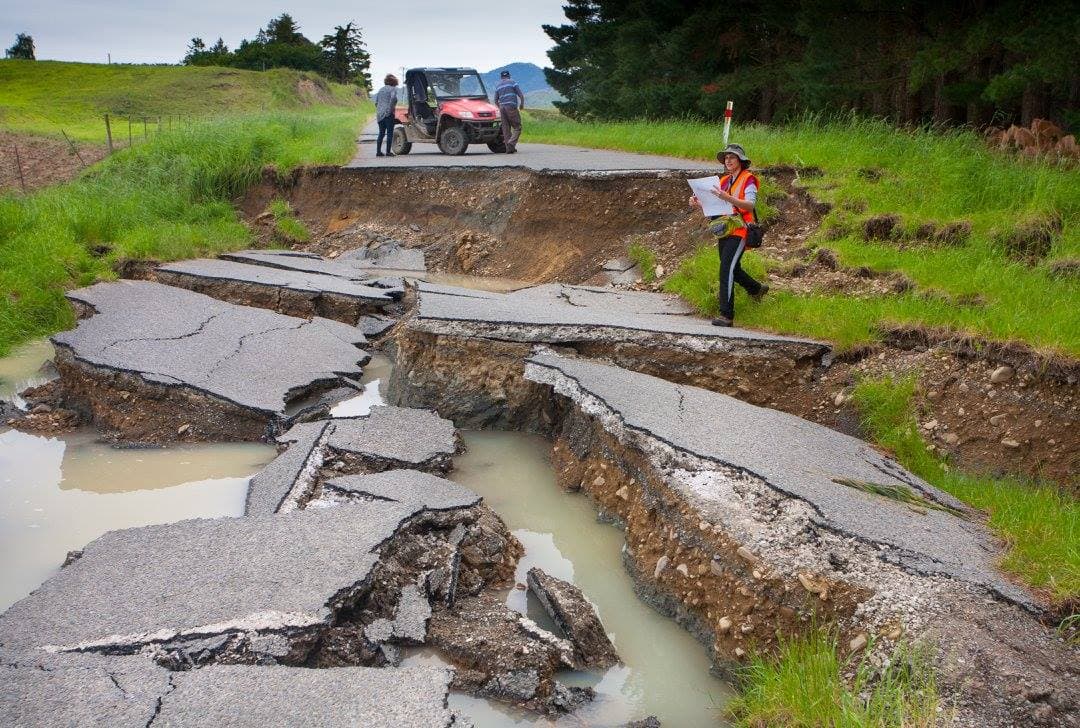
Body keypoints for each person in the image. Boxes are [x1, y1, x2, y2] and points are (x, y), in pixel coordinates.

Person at [689, 143, 769, 326]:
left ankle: (726, 315)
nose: (728, 160)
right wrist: (697, 203)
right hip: (725, 230)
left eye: (732, 157)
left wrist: (727, 197)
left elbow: (749, 205)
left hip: (741, 229)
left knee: (726, 268)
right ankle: (756, 289)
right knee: (733, 268)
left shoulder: (749, 179)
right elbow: (716, 207)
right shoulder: (723, 181)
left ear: (741, 160)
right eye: (726, 158)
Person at [493, 70, 525, 153]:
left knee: (506, 129)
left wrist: (500, 107)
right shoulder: (512, 82)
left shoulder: (498, 86)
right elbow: (520, 94)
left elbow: (495, 100)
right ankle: (511, 143)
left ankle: (509, 149)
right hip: (511, 107)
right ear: (509, 76)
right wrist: (522, 104)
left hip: (502, 108)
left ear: (501, 77)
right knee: (518, 127)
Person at [374, 74, 399, 157]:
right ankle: (388, 152)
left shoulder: (380, 90)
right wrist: (390, 110)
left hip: (379, 114)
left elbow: (376, 102)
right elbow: (393, 99)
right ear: (394, 82)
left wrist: (380, 110)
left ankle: (378, 152)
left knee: (381, 133)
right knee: (390, 133)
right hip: (388, 114)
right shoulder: (393, 89)